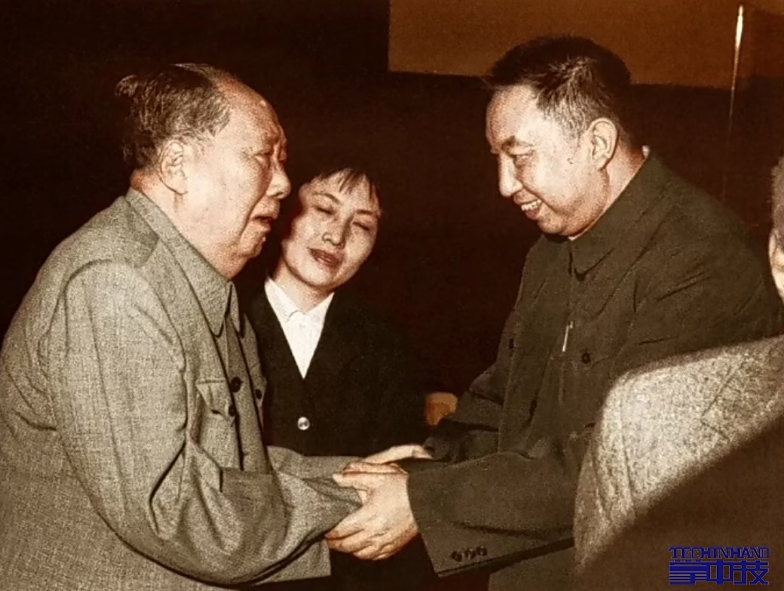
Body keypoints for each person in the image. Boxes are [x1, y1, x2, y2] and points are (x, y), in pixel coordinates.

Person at [324, 36, 784, 591]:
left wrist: (424, 502)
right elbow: (504, 404)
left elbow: (619, 463)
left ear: (598, 143)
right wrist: (423, 464)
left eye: (519, 157)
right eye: (497, 160)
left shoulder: (706, 260)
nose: (504, 185)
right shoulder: (551, 249)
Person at [0, 63, 362, 590]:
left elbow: (227, 467)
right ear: (177, 164)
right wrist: (352, 502)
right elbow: (177, 511)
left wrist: (356, 474)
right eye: (261, 157)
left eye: (282, 161)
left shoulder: (199, 284)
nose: (283, 183)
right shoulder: (115, 283)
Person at [572, 154, 784, 590]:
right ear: (780, 263)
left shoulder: (702, 251)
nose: (507, 185)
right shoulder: (654, 431)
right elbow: (662, 572)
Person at [243, 164, 445, 590]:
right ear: (281, 206)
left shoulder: (388, 348)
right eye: (324, 209)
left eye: (363, 225)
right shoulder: (226, 315)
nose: (337, 236)